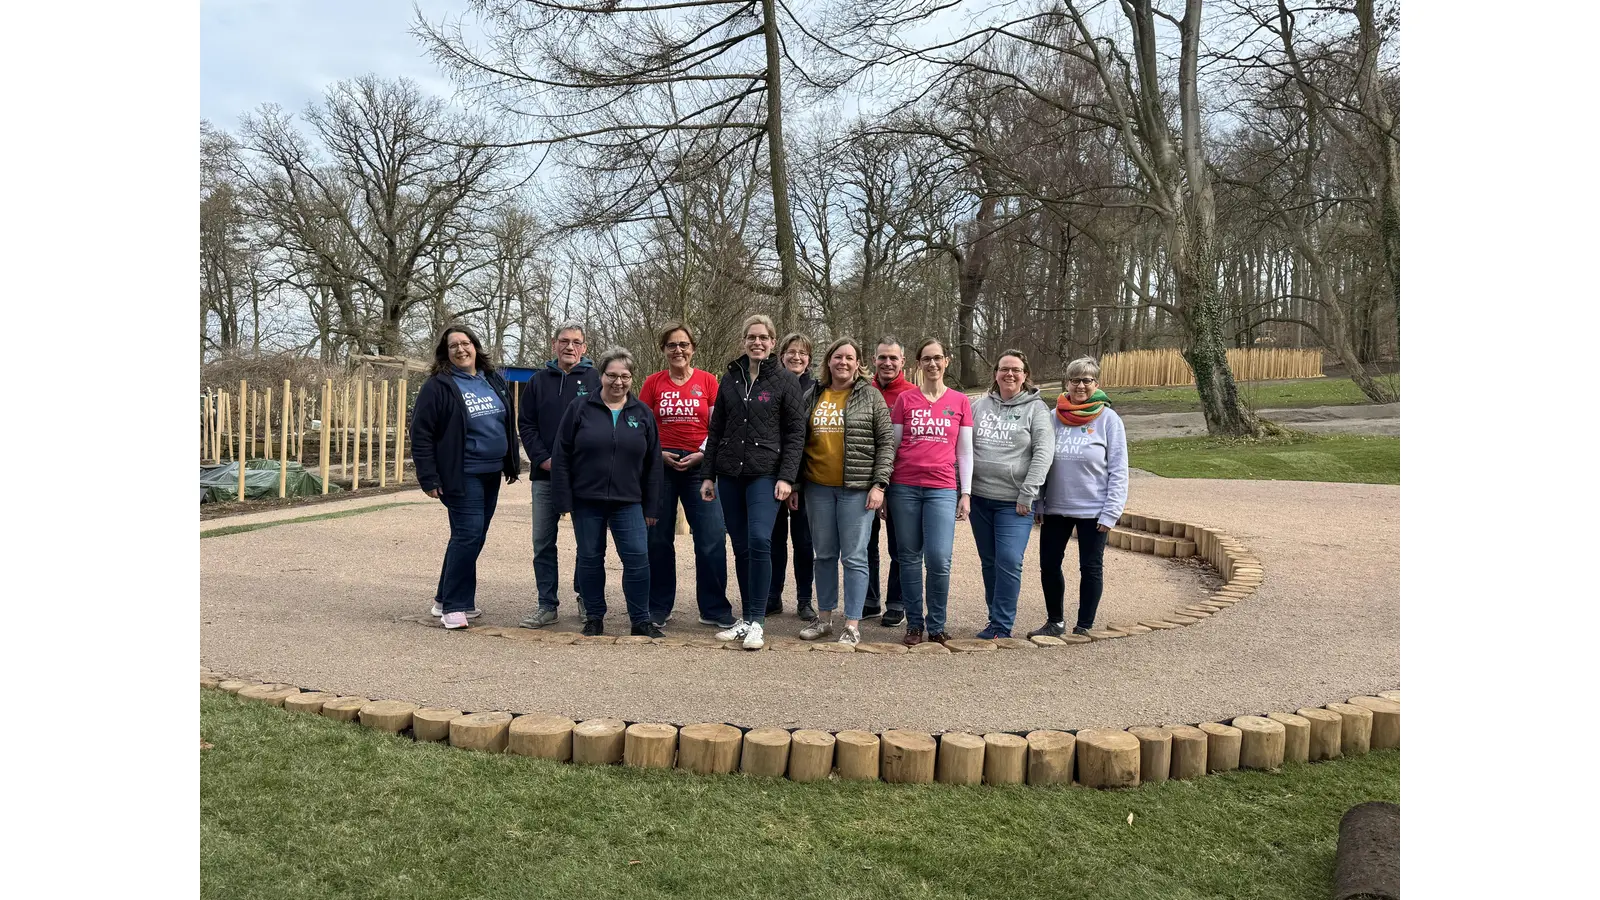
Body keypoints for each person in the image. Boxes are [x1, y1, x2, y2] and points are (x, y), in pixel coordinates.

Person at [699, 314, 806, 650]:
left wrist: (788, 476)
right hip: (730, 474)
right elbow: (716, 430)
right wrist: (708, 475)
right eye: (751, 337)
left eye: (763, 337)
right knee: (742, 546)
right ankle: (745, 620)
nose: (757, 342)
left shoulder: (785, 381)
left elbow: (796, 433)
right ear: (743, 340)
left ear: (773, 342)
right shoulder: (729, 379)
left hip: (766, 473)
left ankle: (758, 620)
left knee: (760, 540)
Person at [410, 325, 521, 630]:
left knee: (470, 536)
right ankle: (455, 608)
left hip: (491, 472)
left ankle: (444, 599)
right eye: (453, 346)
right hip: (462, 474)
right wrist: (429, 477)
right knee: (468, 535)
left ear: (476, 346)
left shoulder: (493, 380)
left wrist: (511, 463)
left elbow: (506, 422)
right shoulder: (439, 386)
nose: (461, 349)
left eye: (466, 343)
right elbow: (421, 434)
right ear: (445, 354)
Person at [551, 348, 664, 637]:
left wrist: (652, 507)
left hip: (629, 502)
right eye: (612, 375)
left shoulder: (643, 414)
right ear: (601, 376)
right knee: (589, 558)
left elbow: (653, 464)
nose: (618, 382)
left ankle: (640, 620)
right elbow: (562, 454)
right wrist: (563, 498)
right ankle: (594, 616)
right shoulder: (579, 408)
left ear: (631, 378)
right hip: (587, 500)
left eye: (625, 376)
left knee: (638, 559)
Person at [791, 337, 894, 645]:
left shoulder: (871, 396)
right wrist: (797, 484)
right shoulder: (813, 394)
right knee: (823, 555)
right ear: (828, 362)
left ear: (858, 363)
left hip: (857, 490)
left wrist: (879, 484)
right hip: (818, 488)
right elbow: (799, 442)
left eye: (850, 357)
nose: (843, 362)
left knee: (854, 557)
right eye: (838, 357)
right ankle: (823, 619)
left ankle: (852, 624)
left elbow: (886, 444)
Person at [637, 323, 732, 629]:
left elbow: (719, 426)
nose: (678, 350)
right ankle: (658, 606)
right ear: (663, 350)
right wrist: (656, 453)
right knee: (658, 538)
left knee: (711, 537)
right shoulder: (652, 383)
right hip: (660, 466)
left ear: (692, 348)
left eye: (683, 344)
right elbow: (640, 426)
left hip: (700, 467)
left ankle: (714, 608)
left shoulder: (708, 381)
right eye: (671, 345)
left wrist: (704, 455)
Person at [1028, 357, 1128, 638]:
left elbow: (1119, 469)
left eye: (1087, 380)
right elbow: (1041, 460)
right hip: (1056, 507)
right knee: (1048, 564)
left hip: (1094, 510)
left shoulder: (1108, 419)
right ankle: (1054, 621)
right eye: (1075, 380)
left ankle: (1084, 625)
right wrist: (1039, 499)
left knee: (1091, 567)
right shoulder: (1053, 417)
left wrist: (1112, 511)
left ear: (1097, 384)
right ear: (1067, 383)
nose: (1080, 386)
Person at [887, 338, 973, 646]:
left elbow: (965, 452)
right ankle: (914, 624)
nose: (933, 364)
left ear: (946, 361)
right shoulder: (906, 400)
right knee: (909, 557)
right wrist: (884, 486)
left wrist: (966, 492)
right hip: (905, 486)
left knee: (939, 558)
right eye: (926, 359)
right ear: (918, 363)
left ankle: (937, 623)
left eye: (937, 358)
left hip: (942, 488)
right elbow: (893, 447)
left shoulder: (960, 401)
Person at [518, 323, 601, 628]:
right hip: (546, 476)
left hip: (585, 476)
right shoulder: (538, 381)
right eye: (564, 341)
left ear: (585, 347)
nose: (570, 347)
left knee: (588, 542)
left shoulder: (595, 380)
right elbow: (526, 424)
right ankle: (546, 603)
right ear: (554, 344)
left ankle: (585, 597)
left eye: (576, 342)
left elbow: (602, 423)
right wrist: (543, 459)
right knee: (543, 540)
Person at [968, 351, 1056, 639]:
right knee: (989, 560)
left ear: (1025, 375)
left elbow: (1043, 453)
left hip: (1015, 502)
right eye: (1004, 369)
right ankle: (994, 618)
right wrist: (964, 491)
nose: (1010, 374)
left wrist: (1028, 493)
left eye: (1016, 370)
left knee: (1008, 559)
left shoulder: (1036, 409)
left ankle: (1002, 625)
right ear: (995, 373)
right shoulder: (980, 405)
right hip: (980, 497)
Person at [863, 336, 917, 627]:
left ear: (902, 362)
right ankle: (869, 600)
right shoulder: (862, 391)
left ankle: (897, 602)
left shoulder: (912, 394)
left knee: (900, 545)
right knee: (865, 542)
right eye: (882, 357)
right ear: (874, 359)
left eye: (893, 358)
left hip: (900, 479)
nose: (887, 363)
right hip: (863, 477)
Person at [768, 332, 817, 621]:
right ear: (782, 354)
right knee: (774, 539)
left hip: (807, 476)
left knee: (804, 541)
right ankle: (773, 596)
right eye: (791, 351)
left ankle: (804, 599)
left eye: (803, 352)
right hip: (774, 472)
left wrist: (797, 482)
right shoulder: (771, 383)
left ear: (809, 358)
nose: (796, 357)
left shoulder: (816, 389)